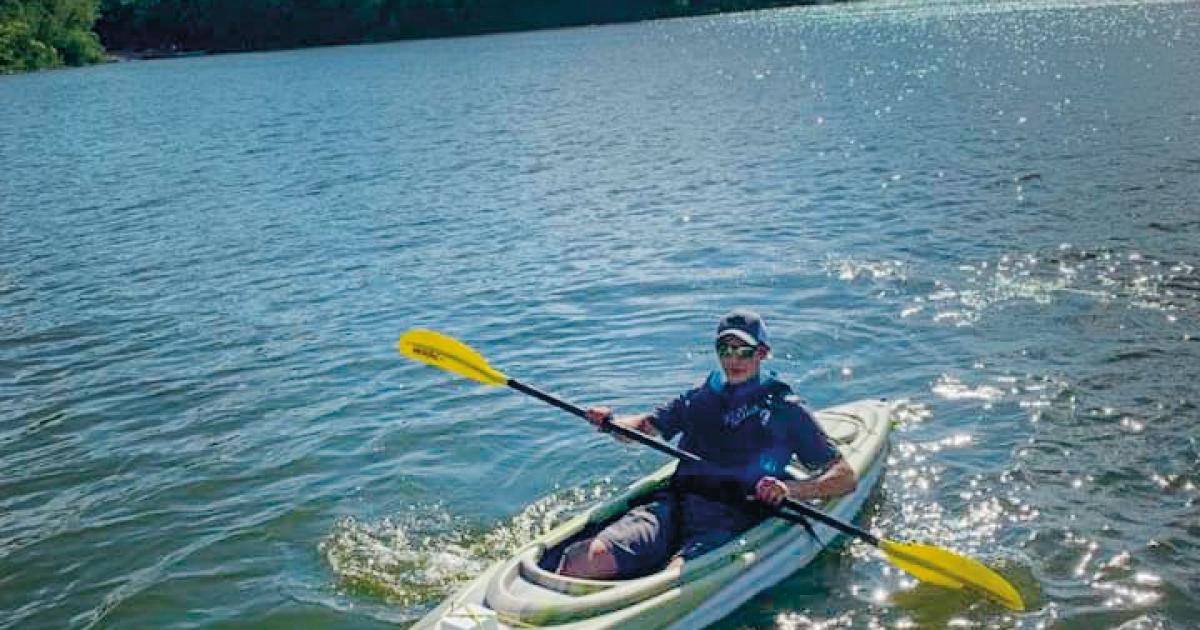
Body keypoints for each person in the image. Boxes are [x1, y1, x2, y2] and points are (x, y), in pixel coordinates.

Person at [557, 309, 858, 579]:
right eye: (724, 349)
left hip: (735, 514)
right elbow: (642, 428)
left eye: (743, 351)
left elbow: (845, 477)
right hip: (677, 501)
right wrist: (611, 423)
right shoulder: (699, 397)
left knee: (670, 579)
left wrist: (791, 490)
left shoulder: (786, 408)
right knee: (581, 560)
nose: (732, 360)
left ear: (762, 353)